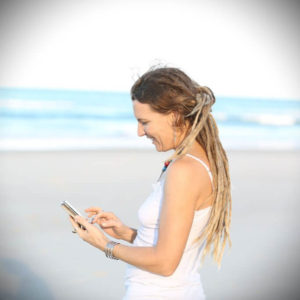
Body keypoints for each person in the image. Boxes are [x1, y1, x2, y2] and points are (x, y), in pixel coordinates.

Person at [69, 66, 232, 300]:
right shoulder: (197, 163)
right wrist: (125, 233)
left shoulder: (184, 170)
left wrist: (105, 244)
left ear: (174, 115)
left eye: (144, 122)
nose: (139, 132)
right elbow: (174, 244)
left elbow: (165, 263)